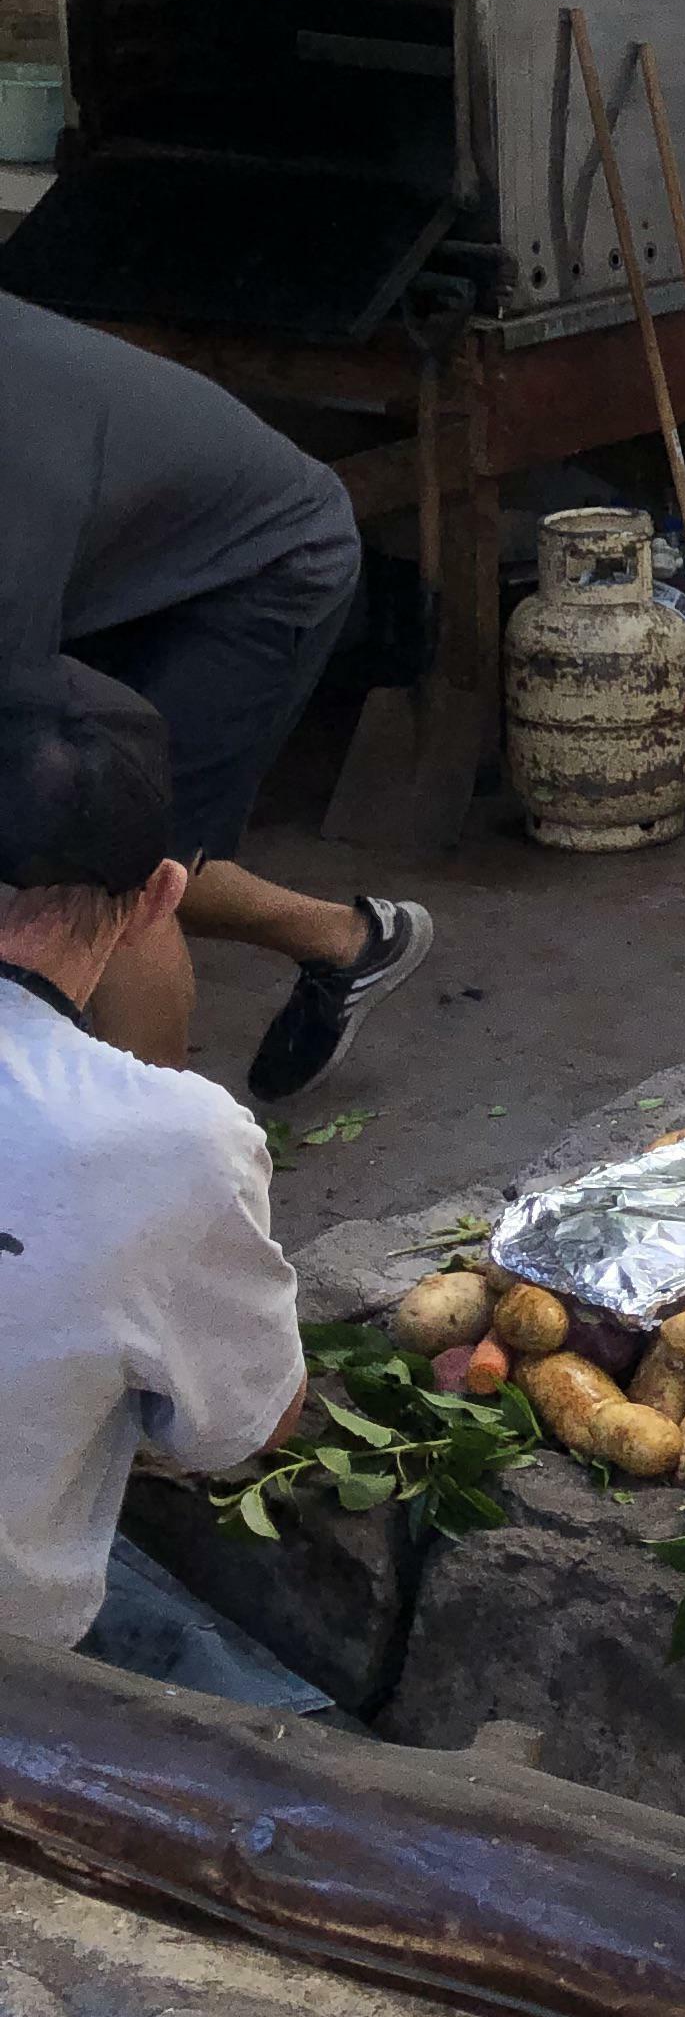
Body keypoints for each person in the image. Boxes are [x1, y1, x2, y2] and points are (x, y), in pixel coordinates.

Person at [0, 659, 329, 1709]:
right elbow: (240, 1429)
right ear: (160, 899)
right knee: (290, 1748)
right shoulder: (167, 1139)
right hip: (18, 1670)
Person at [0, 298, 432, 1094]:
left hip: (260, 568)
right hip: (120, 569)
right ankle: (349, 943)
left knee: (104, 868)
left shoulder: (15, 471)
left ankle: (142, 1173)